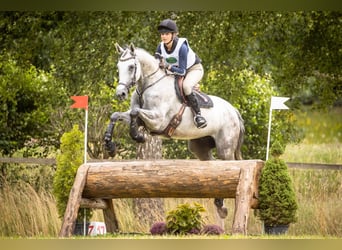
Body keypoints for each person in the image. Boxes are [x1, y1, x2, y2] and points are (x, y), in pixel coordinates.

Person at [155, 19, 207, 129]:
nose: (164, 36)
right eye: (162, 34)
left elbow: (183, 71)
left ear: (173, 35)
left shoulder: (182, 47)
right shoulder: (160, 47)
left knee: (186, 86)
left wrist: (168, 67)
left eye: (167, 34)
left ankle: (198, 115)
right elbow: (156, 64)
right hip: (176, 70)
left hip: (193, 69)